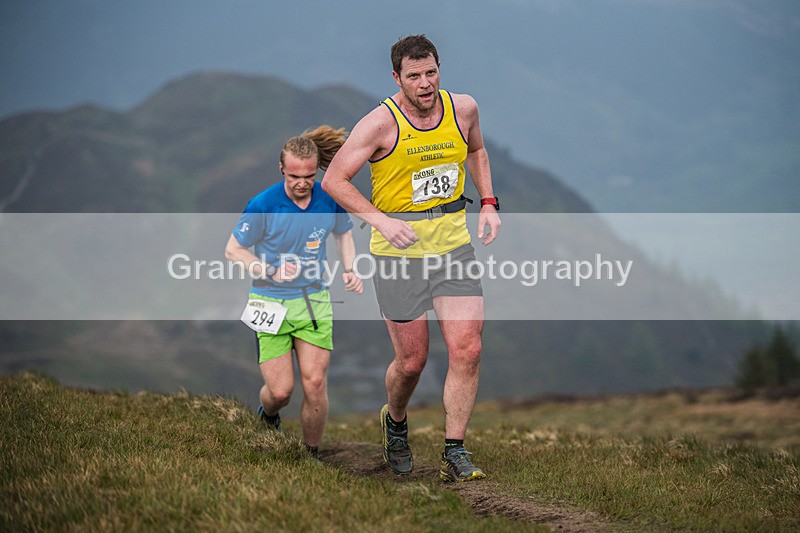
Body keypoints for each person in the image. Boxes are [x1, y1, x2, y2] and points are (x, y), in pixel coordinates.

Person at [322, 35, 501, 481]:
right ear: (397, 78)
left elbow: (476, 151)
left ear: (440, 68)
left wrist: (490, 203)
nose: (425, 84)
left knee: (468, 349)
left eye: (431, 73)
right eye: (414, 76)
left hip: (452, 245)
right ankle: (396, 422)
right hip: (398, 254)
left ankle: (454, 449)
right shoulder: (379, 124)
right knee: (412, 362)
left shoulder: (463, 109)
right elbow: (335, 180)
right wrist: (379, 221)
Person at [225, 126, 363, 459]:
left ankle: (310, 455)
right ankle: (268, 414)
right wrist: (269, 269)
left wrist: (350, 268)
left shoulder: (328, 197)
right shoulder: (263, 204)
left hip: (314, 301)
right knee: (281, 391)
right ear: (281, 170)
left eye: (309, 175)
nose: (302, 183)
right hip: (269, 302)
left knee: (315, 384)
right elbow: (233, 251)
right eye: (293, 176)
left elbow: (343, 234)